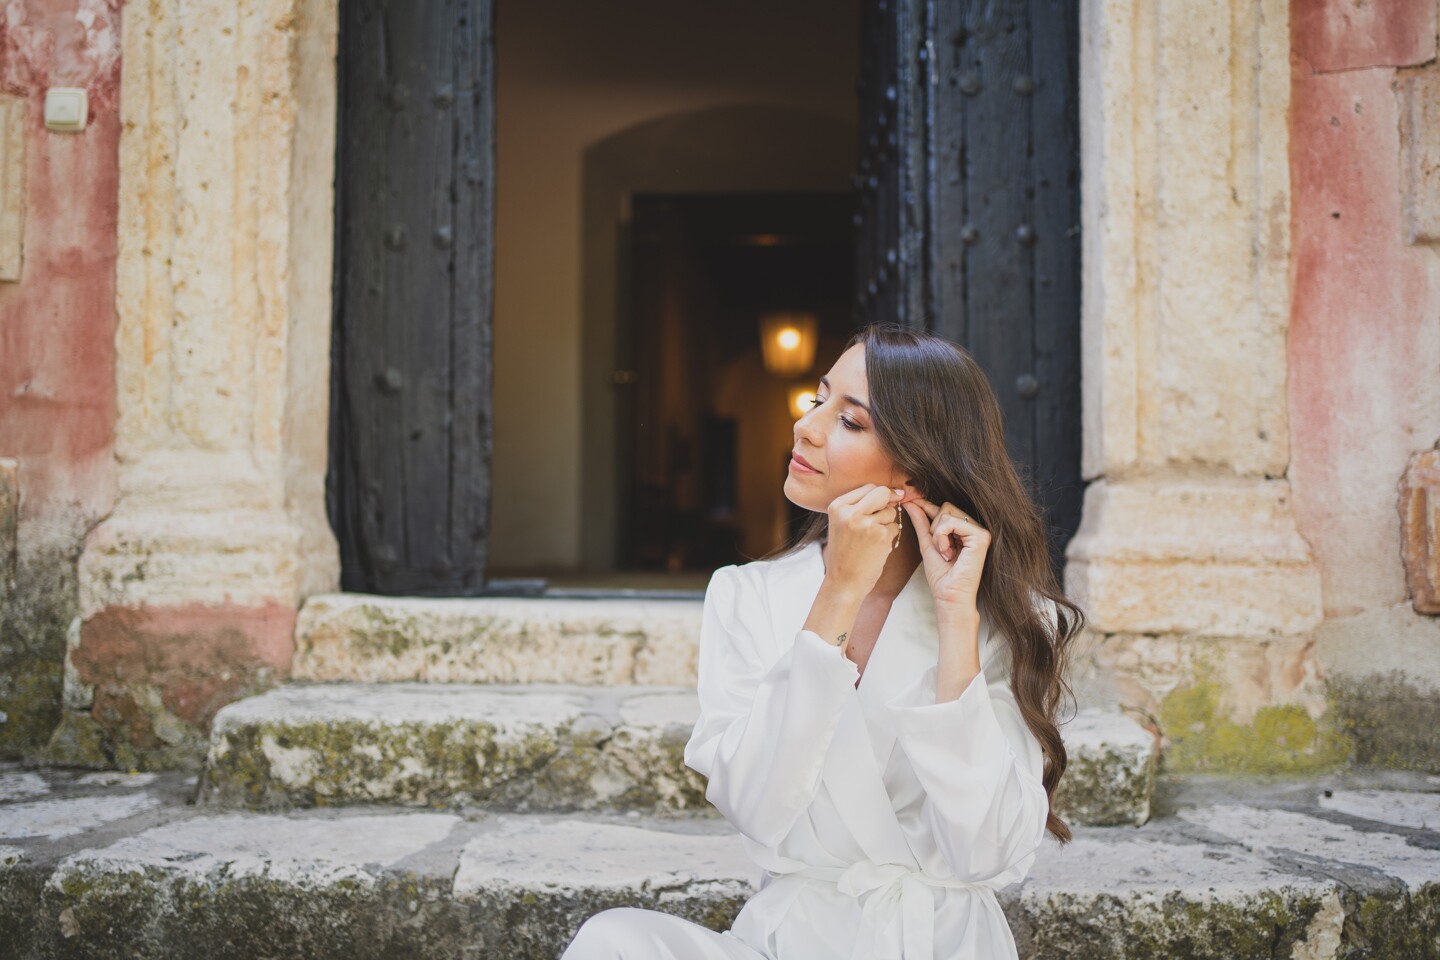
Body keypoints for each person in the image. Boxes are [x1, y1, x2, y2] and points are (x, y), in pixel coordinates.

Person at [560, 323, 1084, 959]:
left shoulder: (1008, 619)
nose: (805, 427)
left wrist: (955, 620)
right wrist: (838, 590)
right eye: (820, 399)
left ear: (917, 467)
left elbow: (988, 853)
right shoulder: (747, 595)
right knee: (612, 941)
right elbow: (756, 804)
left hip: (935, 943)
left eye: (851, 421)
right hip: (792, 941)